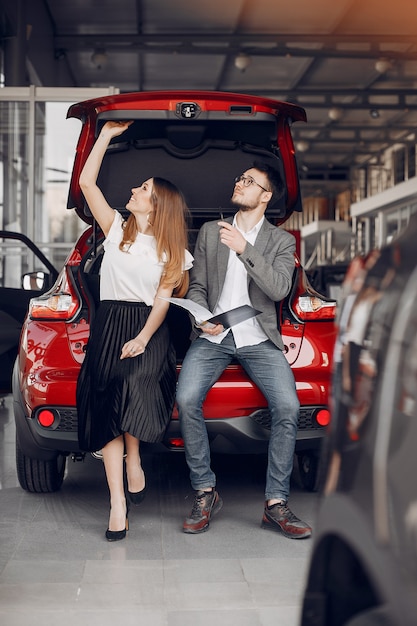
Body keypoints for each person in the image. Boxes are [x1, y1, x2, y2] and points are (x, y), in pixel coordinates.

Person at [176, 161, 312, 539]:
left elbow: (279, 289)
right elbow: (198, 285)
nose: (240, 183)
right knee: (186, 398)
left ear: (265, 196)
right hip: (214, 337)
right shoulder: (209, 232)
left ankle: (275, 504)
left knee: (288, 406)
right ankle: (205, 491)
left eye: (249, 181)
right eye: (239, 178)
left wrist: (245, 249)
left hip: (258, 339)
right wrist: (200, 319)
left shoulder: (282, 241)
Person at [76, 120, 192, 542]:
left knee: (131, 388)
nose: (134, 191)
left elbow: (163, 300)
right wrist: (104, 135)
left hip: (149, 329)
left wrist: (143, 337)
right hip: (109, 323)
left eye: (143, 189)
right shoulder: (116, 229)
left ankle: (135, 458)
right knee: (108, 403)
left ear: (156, 204)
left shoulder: (173, 249)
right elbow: (88, 183)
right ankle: (117, 504)